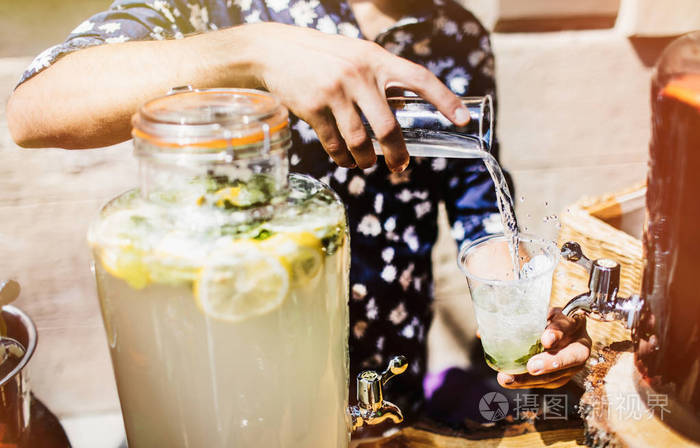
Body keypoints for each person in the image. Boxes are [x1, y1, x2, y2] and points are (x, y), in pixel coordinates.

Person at [7, 0, 590, 424]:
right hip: (240, 388)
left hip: (386, 393)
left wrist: (529, 308)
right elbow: (36, 109)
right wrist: (252, 49)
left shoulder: (458, 34)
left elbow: (481, 202)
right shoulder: (226, 8)